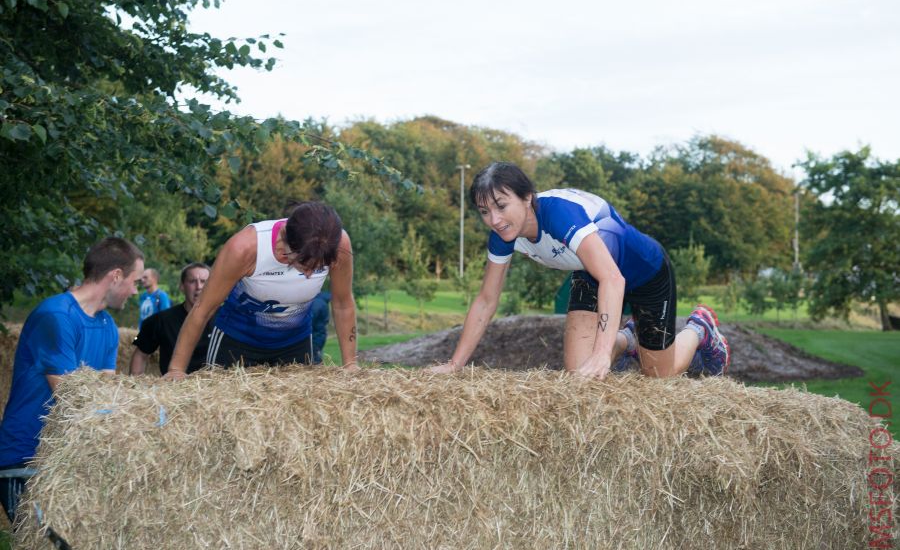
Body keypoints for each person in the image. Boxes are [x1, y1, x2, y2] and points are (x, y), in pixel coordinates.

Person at [428, 162, 730, 380]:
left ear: (527, 197)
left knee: (658, 375)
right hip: (590, 271)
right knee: (578, 372)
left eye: (501, 206)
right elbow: (486, 300)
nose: (494, 219)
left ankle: (700, 329)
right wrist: (455, 364)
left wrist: (602, 354)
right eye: (484, 212)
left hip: (646, 273)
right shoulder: (503, 235)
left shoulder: (559, 214)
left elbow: (613, 278)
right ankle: (628, 338)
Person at [0, 237, 144, 522]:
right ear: (116, 276)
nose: (135, 291)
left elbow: (106, 392)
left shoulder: (108, 327)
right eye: (135, 281)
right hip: (28, 456)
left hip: (69, 459)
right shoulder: (55, 316)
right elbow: (71, 396)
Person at [162, 201, 358, 381]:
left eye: (319, 268)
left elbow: (342, 304)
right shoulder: (244, 248)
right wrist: (176, 369)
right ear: (286, 242)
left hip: (295, 342)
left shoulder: (338, 244)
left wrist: (350, 364)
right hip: (236, 341)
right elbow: (202, 309)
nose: (309, 274)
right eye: (305, 265)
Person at [129, 262, 212, 376]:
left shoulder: (224, 320)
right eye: (192, 281)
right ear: (182, 286)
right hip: (172, 390)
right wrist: (134, 386)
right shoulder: (161, 320)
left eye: (204, 281)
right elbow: (140, 354)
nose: (199, 286)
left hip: (214, 390)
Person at [310, 290, 332, 365]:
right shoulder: (321, 301)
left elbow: (309, 320)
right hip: (319, 336)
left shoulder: (316, 303)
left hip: (314, 338)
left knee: (314, 356)